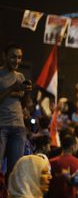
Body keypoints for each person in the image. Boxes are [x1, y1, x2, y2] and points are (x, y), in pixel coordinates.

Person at [0, 43, 32, 177]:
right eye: (13, 57)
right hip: (1, 127)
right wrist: (12, 89)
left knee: (14, 172)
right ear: (4, 57)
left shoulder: (20, 77)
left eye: (19, 57)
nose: (17, 61)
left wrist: (27, 92)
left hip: (18, 128)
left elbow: (23, 104)